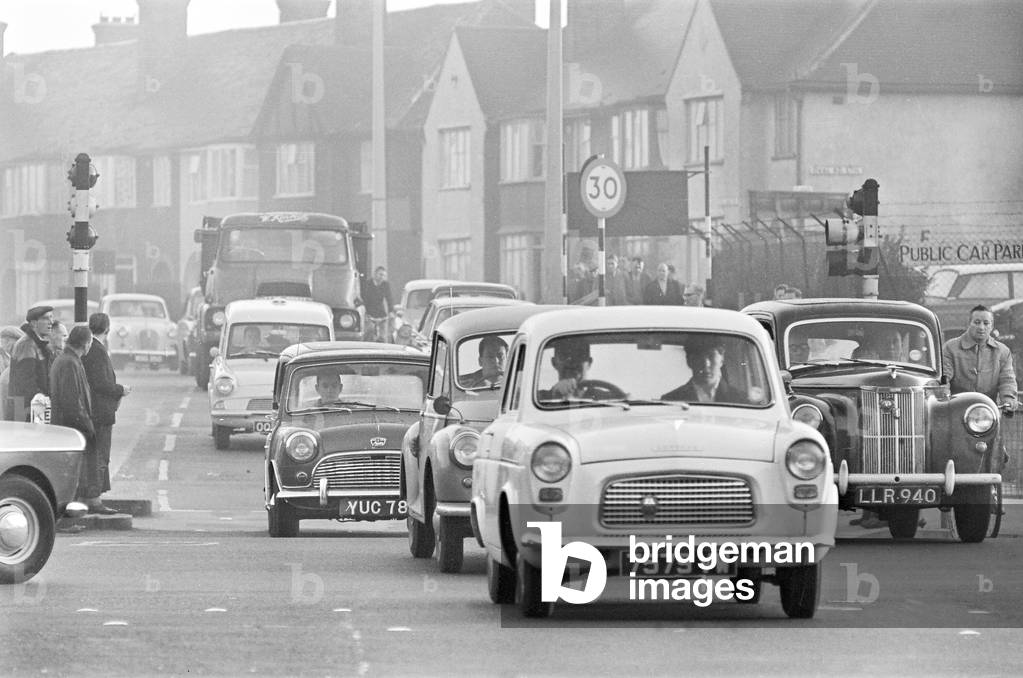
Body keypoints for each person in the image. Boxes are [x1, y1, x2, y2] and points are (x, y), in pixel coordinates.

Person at [81, 313, 131, 514]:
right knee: (101, 455)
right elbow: (101, 383)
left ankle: (90, 497)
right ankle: (94, 500)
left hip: (93, 411)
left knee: (95, 454)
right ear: (108, 329)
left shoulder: (90, 348)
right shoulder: (98, 351)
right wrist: (121, 389)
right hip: (100, 411)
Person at [49, 326, 98, 507]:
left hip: (66, 426)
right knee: (70, 475)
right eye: (90, 341)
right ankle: (67, 518)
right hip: (71, 428)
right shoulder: (70, 363)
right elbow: (71, 401)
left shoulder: (67, 360)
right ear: (85, 344)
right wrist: (87, 426)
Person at [942, 305, 1018, 410]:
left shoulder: (1002, 351)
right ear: (968, 324)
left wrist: (1008, 399)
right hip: (956, 410)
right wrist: (944, 401)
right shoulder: (950, 348)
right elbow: (944, 379)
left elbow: (1007, 379)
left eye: (986, 323)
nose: (981, 327)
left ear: (992, 326)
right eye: (977, 322)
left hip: (988, 414)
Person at [661, 336, 745, 403]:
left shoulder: (742, 400)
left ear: (721, 360)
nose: (706, 364)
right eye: (699, 357)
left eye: (711, 356)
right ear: (689, 361)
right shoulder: (671, 400)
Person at [9, 305, 55, 422]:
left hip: (35, 405)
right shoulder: (27, 345)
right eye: (46, 318)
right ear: (34, 323)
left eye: (51, 317)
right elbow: (27, 381)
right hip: (27, 407)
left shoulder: (38, 343)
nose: (51, 322)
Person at [361, 266, 394, 340]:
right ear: (375, 274)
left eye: (384, 275)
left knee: (383, 336)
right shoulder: (367, 284)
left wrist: (391, 311)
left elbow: (389, 298)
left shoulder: (386, 285)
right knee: (369, 332)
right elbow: (364, 299)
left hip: (381, 312)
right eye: (380, 274)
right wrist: (365, 313)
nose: (382, 277)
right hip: (369, 312)